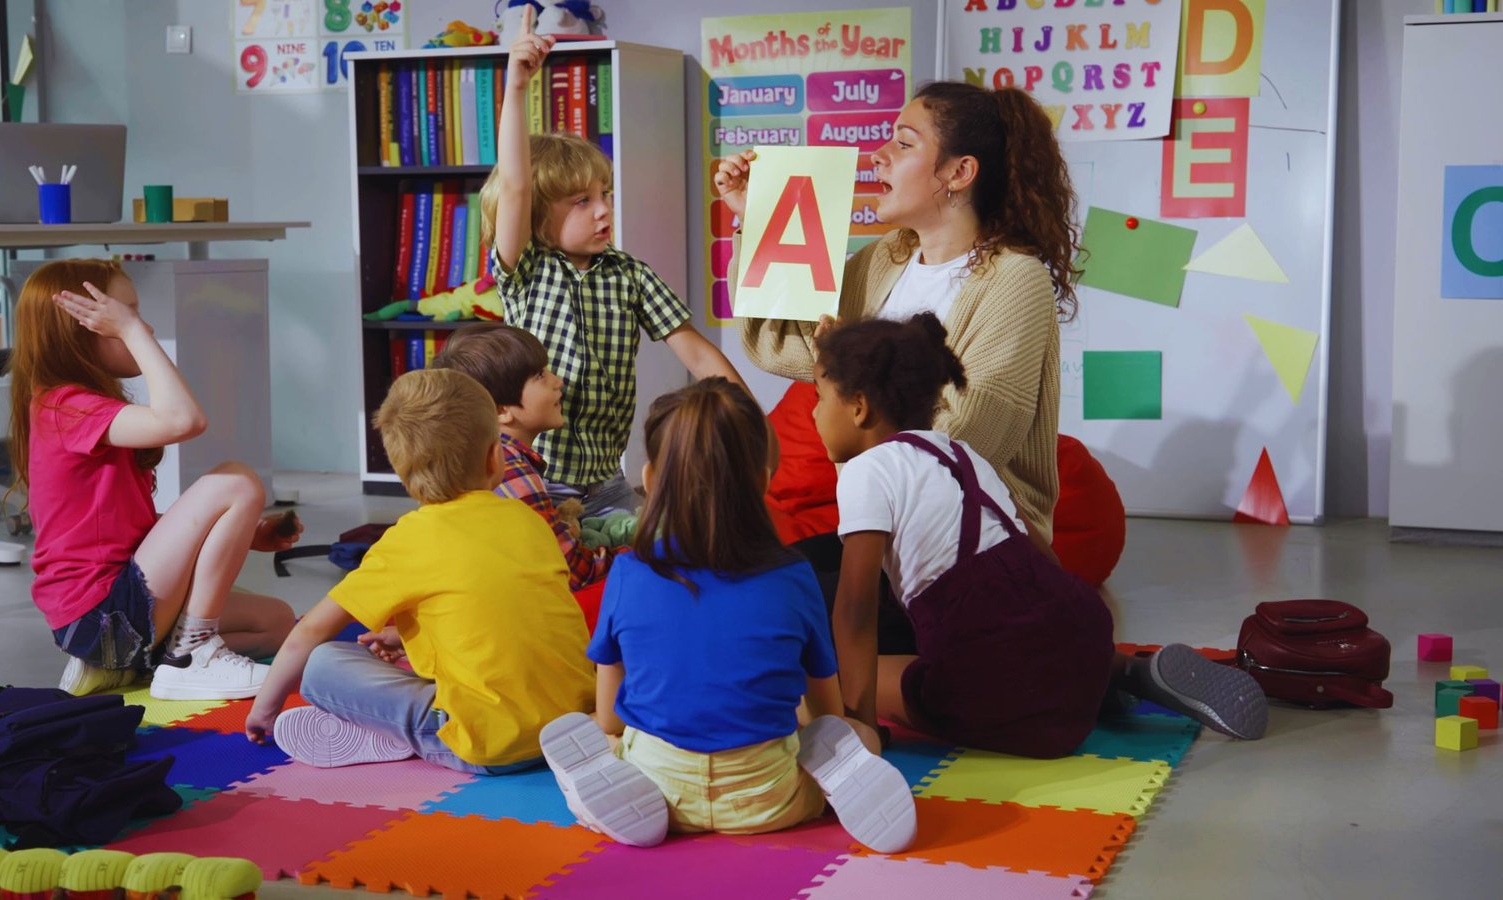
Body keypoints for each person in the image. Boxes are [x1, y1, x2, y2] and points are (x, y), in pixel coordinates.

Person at [813, 315, 1268, 754]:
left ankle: (1071, 690)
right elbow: (1038, 553)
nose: (815, 414)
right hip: (1078, 631)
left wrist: (862, 725)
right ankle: (1120, 672)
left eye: (820, 398)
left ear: (858, 407)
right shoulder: (960, 454)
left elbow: (855, 614)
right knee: (1036, 649)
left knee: (836, 676)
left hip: (1000, 685)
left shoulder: (865, 472)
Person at [539, 378, 916, 854]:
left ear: (651, 479)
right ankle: (830, 791)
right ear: (762, 481)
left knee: (602, 730)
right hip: (770, 799)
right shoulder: (794, 576)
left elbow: (613, 713)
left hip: (659, 789)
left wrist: (613, 733)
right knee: (856, 736)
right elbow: (828, 715)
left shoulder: (630, 572)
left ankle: (607, 782)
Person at [719, 81, 1077, 544]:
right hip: (884, 526)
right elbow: (779, 345)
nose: (878, 154)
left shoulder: (1015, 279)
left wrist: (851, 374)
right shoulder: (889, 257)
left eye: (904, 143)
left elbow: (965, 441)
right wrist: (756, 217)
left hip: (969, 537)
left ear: (959, 172)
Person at [244, 368, 595, 773]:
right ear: (495, 456)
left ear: (401, 472)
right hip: (576, 721)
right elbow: (514, 610)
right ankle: (388, 729)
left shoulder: (408, 539)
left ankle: (394, 733)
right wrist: (408, 635)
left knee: (323, 663)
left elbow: (307, 633)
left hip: (491, 746)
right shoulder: (528, 518)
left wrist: (264, 710)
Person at [482, 7, 745, 515]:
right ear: (539, 215)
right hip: (532, 480)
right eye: (581, 201)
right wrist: (516, 88)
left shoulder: (632, 275)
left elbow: (700, 358)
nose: (604, 210)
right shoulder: (526, 270)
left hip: (607, 485)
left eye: (605, 194)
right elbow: (514, 186)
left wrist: (752, 423)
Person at [7, 259, 299, 701]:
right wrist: (136, 334)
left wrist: (236, 534)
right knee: (237, 481)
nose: (141, 324)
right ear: (81, 330)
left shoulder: (76, 405)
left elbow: (120, 525)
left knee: (277, 622)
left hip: (117, 611)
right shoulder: (65, 406)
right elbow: (185, 419)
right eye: (125, 315)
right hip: (102, 615)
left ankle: (141, 666)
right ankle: (189, 657)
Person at [432, 322, 611, 590]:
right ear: (501, 409)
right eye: (540, 375)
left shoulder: (478, 457)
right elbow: (572, 571)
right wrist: (634, 556)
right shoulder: (510, 469)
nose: (558, 381)